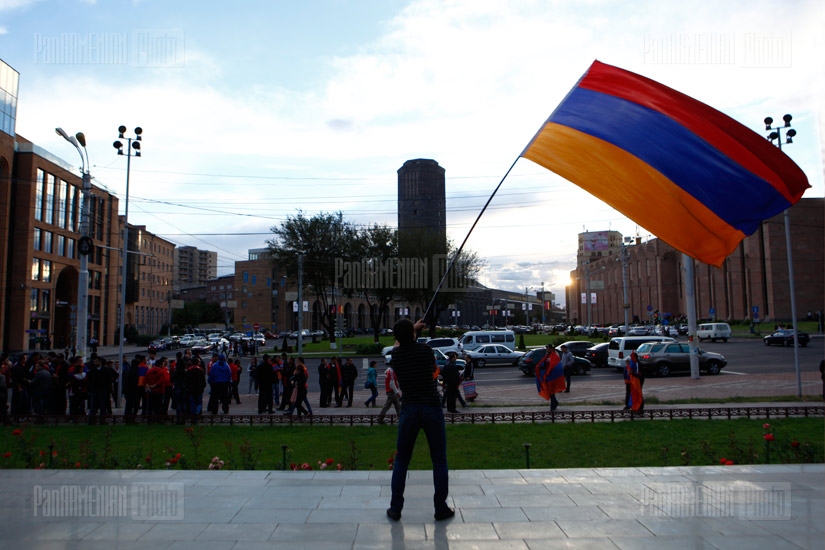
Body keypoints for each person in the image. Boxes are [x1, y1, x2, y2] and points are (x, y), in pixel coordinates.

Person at [386, 318, 453, 522]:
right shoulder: (426, 351)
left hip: (409, 409)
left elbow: (399, 344)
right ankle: (440, 507)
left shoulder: (395, 356)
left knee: (402, 459)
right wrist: (413, 333)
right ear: (413, 335)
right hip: (431, 407)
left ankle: (396, 508)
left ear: (397, 337)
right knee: (439, 459)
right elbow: (427, 362)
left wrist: (410, 331)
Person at [535, 344, 565, 411]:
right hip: (548, 375)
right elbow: (545, 364)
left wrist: (547, 373)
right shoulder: (547, 356)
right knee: (550, 391)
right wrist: (539, 367)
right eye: (547, 349)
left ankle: (553, 405)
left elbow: (553, 366)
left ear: (552, 349)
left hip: (552, 376)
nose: (547, 350)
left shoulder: (554, 356)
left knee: (551, 391)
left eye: (548, 349)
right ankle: (555, 403)